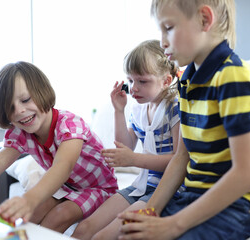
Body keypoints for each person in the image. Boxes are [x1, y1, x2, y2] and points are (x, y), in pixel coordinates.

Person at [118, 0, 250, 239]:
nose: (162, 41)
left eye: (168, 27)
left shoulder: (233, 77)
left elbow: (248, 173)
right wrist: (152, 209)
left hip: (240, 204)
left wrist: (174, 225)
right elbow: (182, 156)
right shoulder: (187, 81)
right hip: (192, 195)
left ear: (204, 19)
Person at [0, 61, 118, 233]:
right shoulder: (21, 132)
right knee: (32, 215)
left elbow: (63, 166)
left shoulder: (70, 125)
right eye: (10, 108)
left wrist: (29, 199)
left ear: (42, 92)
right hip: (67, 188)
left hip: (101, 190)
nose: (19, 111)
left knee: (58, 216)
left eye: (25, 100)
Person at [71, 39, 181, 240]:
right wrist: (119, 111)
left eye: (142, 81)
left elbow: (178, 160)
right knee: (84, 229)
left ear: (165, 81)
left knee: (104, 236)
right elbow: (126, 145)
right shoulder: (139, 108)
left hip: (167, 191)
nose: (134, 88)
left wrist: (133, 159)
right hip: (141, 185)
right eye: (130, 81)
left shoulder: (174, 107)